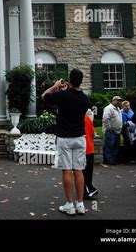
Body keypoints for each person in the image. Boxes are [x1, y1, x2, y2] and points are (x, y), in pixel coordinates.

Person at [42, 69, 90, 216]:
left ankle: (69, 204)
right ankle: (80, 204)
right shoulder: (85, 99)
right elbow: (73, 100)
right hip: (80, 137)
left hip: (64, 137)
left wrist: (55, 86)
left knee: (67, 170)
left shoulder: (62, 95)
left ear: (69, 79)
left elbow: (44, 97)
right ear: (81, 81)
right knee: (79, 170)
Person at [102, 96, 123, 165]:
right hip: (110, 131)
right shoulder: (109, 108)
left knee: (115, 146)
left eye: (120, 101)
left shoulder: (118, 109)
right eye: (117, 100)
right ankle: (109, 159)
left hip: (117, 130)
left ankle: (114, 158)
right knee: (110, 145)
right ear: (113, 101)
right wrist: (109, 127)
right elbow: (105, 119)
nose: (119, 102)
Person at [83, 110, 98, 199]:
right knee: (88, 172)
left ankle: (87, 191)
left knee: (82, 172)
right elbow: (93, 133)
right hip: (90, 148)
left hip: (82, 149)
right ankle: (89, 188)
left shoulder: (77, 119)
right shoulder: (87, 118)